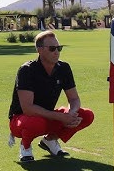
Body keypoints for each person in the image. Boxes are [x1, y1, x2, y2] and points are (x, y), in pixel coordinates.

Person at [8, 30, 94, 162]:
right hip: (21, 120)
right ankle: (25, 147)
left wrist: (72, 113)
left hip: (47, 116)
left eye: (59, 48)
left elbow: (74, 98)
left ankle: (50, 140)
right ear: (40, 50)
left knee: (86, 115)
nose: (57, 52)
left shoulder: (64, 68)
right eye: (52, 48)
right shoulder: (27, 70)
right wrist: (60, 117)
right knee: (36, 122)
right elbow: (28, 109)